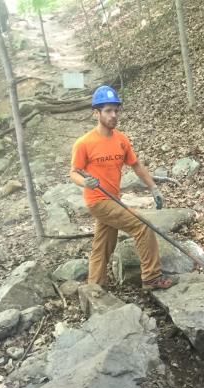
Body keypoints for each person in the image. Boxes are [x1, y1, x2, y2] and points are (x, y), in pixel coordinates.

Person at [70, 85, 176, 290]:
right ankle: (152, 278)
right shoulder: (84, 143)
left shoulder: (121, 139)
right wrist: (85, 182)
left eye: (116, 110)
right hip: (98, 200)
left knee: (103, 245)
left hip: (113, 198)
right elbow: (74, 172)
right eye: (108, 110)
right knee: (142, 227)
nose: (114, 115)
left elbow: (135, 165)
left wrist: (154, 188)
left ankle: (95, 286)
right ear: (96, 113)